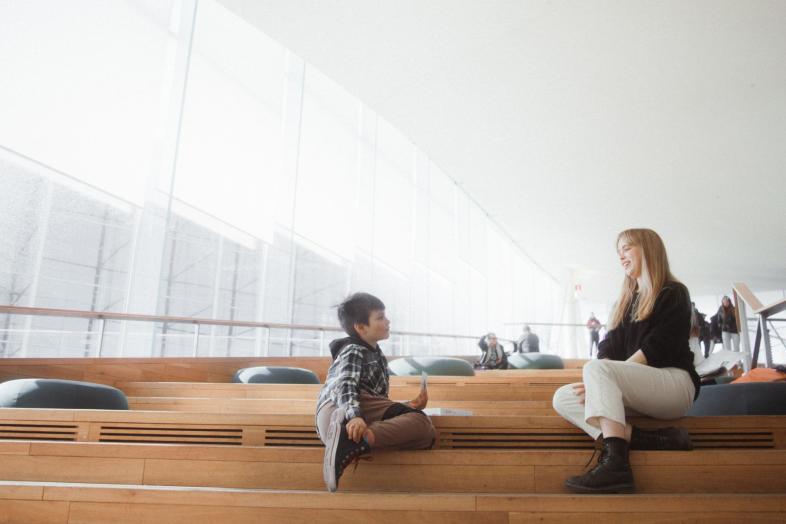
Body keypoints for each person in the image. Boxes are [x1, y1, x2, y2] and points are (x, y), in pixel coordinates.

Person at [552, 228, 700, 494]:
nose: (621, 256)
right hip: (636, 390)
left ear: (648, 249)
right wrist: (604, 380)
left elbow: (656, 347)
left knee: (596, 370)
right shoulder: (625, 303)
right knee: (562, 397)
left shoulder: (674, 292)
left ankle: (616, 466)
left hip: (674, 384)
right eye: (618, 252)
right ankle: (653, 439)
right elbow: (607, 347)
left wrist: (606, 377)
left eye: (627, 249)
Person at [316, 292, 435, 492]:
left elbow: (378, 402)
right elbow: (345, 384)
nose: (387, 321)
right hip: (339, 412)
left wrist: (407, 406)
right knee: (422, 422)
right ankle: (350, 442)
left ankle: (354, 444)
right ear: (361, 327)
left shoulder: (377, 355)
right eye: (380, 317)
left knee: (426, 435)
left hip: (355, 415)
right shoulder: (353, 349)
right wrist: (353, 416)